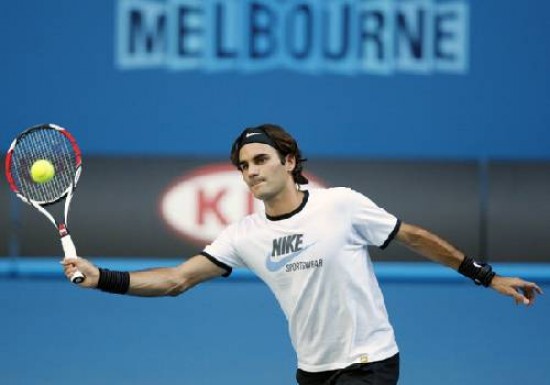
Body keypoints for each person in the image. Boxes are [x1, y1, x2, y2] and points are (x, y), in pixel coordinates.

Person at [62, 123, 542, 385]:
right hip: (312, 371)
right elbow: (176, 281)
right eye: (243, 166)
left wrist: (485, 276)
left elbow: (413, 236)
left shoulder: (342, 204)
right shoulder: (243, 235)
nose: (251, 172)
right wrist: (101, 276)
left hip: (369, 362)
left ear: (289, 161)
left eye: (261, 160)